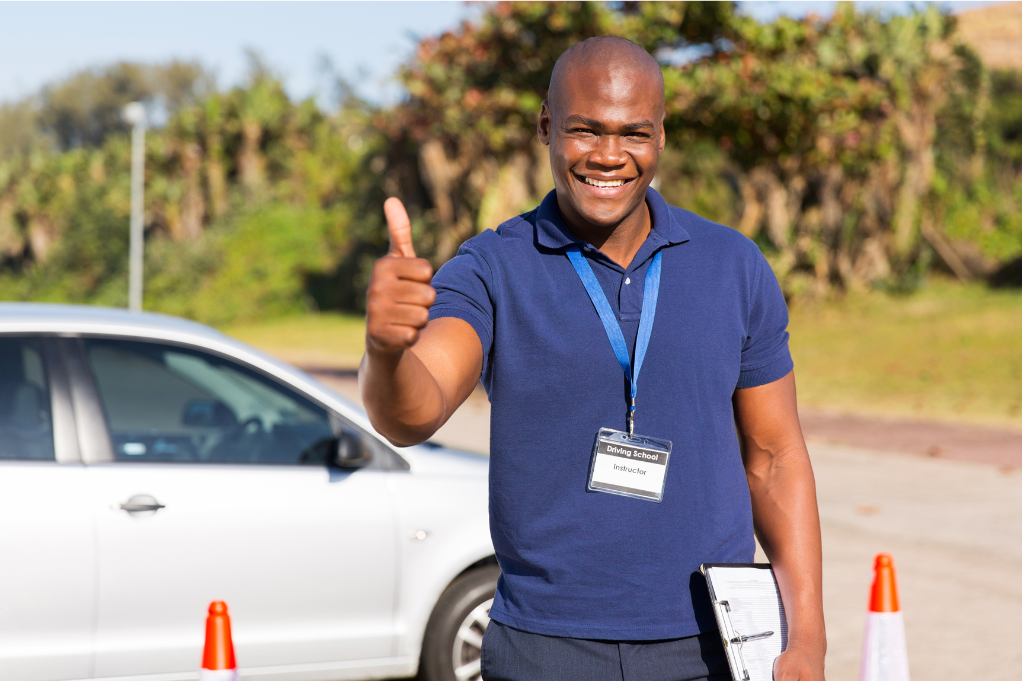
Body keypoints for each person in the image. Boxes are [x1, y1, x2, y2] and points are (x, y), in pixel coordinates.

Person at [360, 36, 826, 681]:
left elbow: (775, 459)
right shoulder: (492, 267)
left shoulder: (733, 266)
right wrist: (387, 351)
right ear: (546, 127)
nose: (609, 155)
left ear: (661, 135)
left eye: (634, 133)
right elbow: (413, 412)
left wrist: (807, 638)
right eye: (585, 130)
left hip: (712, 644)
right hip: (544, 648)